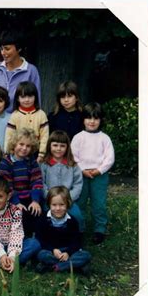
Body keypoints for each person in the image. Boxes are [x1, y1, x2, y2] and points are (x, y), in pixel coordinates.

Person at [0, 176, 41, 271]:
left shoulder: (15, 211)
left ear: (8, 196)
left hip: (13, 244)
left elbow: (16, 234)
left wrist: (12, 256)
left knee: (34, 244)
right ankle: (6, 260)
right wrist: (2, 254)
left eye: (0, 196)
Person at [71, 102, 115, 244]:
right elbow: (73, 156)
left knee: (99, 203)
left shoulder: (105, 138)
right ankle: (80, 228)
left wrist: (98, 171)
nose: (92, 121)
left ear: (100, 120)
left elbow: (109, 158)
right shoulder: (78, 137)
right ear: (83, 119)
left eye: (96, 118)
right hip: (81, 175)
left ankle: (99, 230)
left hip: (99, 176)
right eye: (88, 118)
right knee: (80, 202)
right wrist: (82, 170)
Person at [0, 31, 41, 115]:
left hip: (21, 124)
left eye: (7, 49)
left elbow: (37, 101)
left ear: (19, 49)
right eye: (1, 49)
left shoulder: (31, 71)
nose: (3, 53)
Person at [35, 186, 91, 274]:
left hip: (68, 250)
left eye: (61, 205)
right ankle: (73, 266)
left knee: (85, 255)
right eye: (54, 205)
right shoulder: (43, 219)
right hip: (51, 251)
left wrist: (68, 253)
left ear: (67, 204)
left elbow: (77, 241)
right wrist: (53, 250)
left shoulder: (72, 221)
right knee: (42, 254)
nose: (58, 208)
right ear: (49, 204)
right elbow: (40, 239)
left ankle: (56, 266)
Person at [0, 128, 43, 238]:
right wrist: (16, 202)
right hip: (13, 198)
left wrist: (35, 200)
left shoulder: (31, 161)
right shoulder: (6, 163)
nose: (24, 148)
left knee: (37, 212)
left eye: (28, 146)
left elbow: (36, 181)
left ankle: (37, 239)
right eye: (21, 144)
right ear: (14, 144)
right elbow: (6, 185)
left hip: (30, 197)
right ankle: (22, 240)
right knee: (21, 216)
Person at [40, 130, 84, 231]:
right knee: (44, 219)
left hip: (68, 201)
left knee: (77, 216)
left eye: (62, 146)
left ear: (67, 147)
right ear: (49, 146)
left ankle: (78, 235)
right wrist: (49, 198)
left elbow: (78, 184)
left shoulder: (72, 165)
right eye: (55, 145)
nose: (58, 149)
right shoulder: (44, 164)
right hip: (49, 201)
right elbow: (41, 183)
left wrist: (69, 199)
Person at [4, 81, 49, 163]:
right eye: (23, 97)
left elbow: (44, 136)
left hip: (36, 153)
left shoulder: (41, 114)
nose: (27, 100)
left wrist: (41, 154)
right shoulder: (15, 115)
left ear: (35, 97)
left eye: (30, 96)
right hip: (18, 152)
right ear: (18, 98)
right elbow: (9, 135)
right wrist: (8, 152)